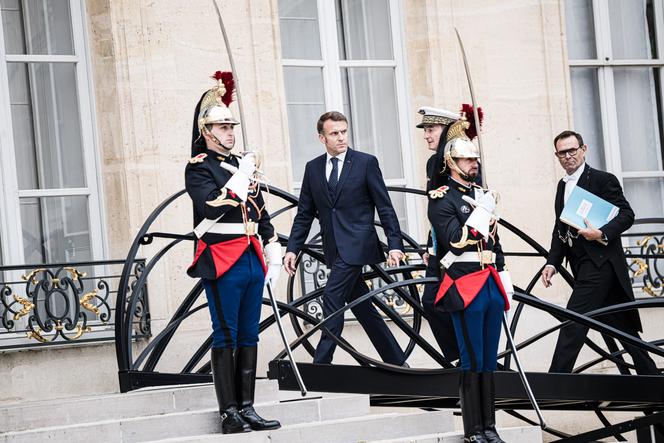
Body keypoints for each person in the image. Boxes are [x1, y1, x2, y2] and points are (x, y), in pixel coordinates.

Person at [185, 71, 281, 434]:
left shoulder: (239, 163)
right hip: (221, 257)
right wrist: (242, 174)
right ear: (207, 133)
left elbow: (258, 209)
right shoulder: (199, 168)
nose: (229, 132)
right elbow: (212, 207)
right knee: (225, 332)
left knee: (249, 334)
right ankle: (229, 412)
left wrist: (271, 243)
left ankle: (248, 407)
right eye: (222, 127)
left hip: (250, 256)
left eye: (231, 126)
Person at [284, 111, 407, 366]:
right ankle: (396, 361)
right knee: (364, 309)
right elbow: (304, 214)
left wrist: (395, 245)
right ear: (322, 138)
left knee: (332, 298)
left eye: (343, 132)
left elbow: (385, 207)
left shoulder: (365, 163)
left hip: (359, 245)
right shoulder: (313, 168)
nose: (341, 138)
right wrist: (292, 249)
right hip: (334, 249)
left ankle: (321, 365)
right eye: (334, 133)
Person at [541, 130, 658, 375]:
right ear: (556, 156)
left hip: (601, 263)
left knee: (575, 318)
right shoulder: (562, 186)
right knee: (620, 324)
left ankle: (555, 377)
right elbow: (559, 228)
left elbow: (627, 215)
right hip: (582, 264)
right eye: (562, 153)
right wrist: (552, 262)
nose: (568, 156)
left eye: (573, 150)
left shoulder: (603, 179)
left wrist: (601, 233)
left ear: (584, 149)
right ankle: (651, 375)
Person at [428, 108, 512, 443]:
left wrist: (503, 273)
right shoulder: (441, 198)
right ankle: (473, 429)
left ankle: (490, 428)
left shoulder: (480, 194)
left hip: (489, 281)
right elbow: (454, 238)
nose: (472, 165)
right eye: (466, 160)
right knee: (471, 357)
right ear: (451, 163)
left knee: (489, 358)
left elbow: (495, 240)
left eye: (474, 160)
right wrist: (482, 210)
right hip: (463, 283)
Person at [417, 106, 461, 362]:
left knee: (443, 302)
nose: (426, 135)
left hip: (455, 247)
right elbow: (435, 211)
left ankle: (461, 359)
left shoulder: (450, 160)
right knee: (432, 302)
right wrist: (429, 245)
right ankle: (456, 358)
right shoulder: (433, 162)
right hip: (439, 247)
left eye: (431, 129)